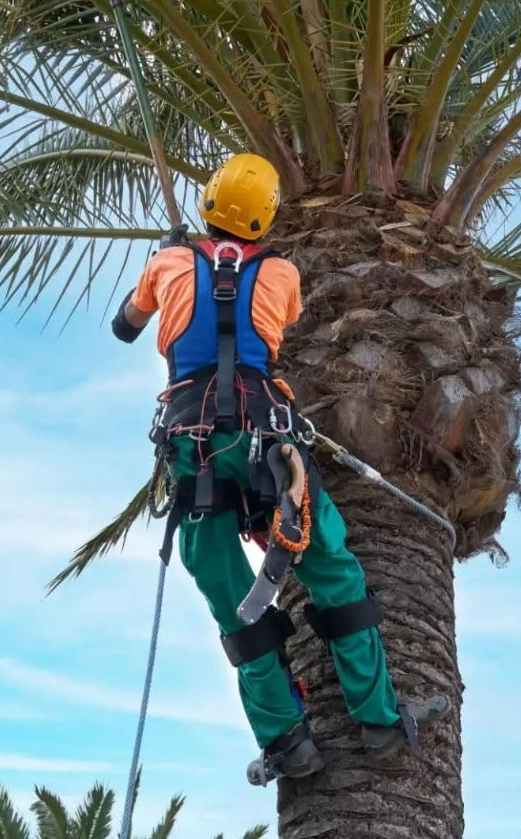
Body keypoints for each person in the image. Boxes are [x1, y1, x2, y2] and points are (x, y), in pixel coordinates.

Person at [111, 152, 450, 786]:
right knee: (329, 566)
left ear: (208, 203)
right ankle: (378, 719)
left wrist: (164, 258)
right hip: (269, 444)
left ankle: (288, 743)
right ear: (266, 222)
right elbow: (267, 330)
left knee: (234, 601)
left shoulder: (167, 264)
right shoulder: (282, 273)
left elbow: (125, 328)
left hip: (195, 453)